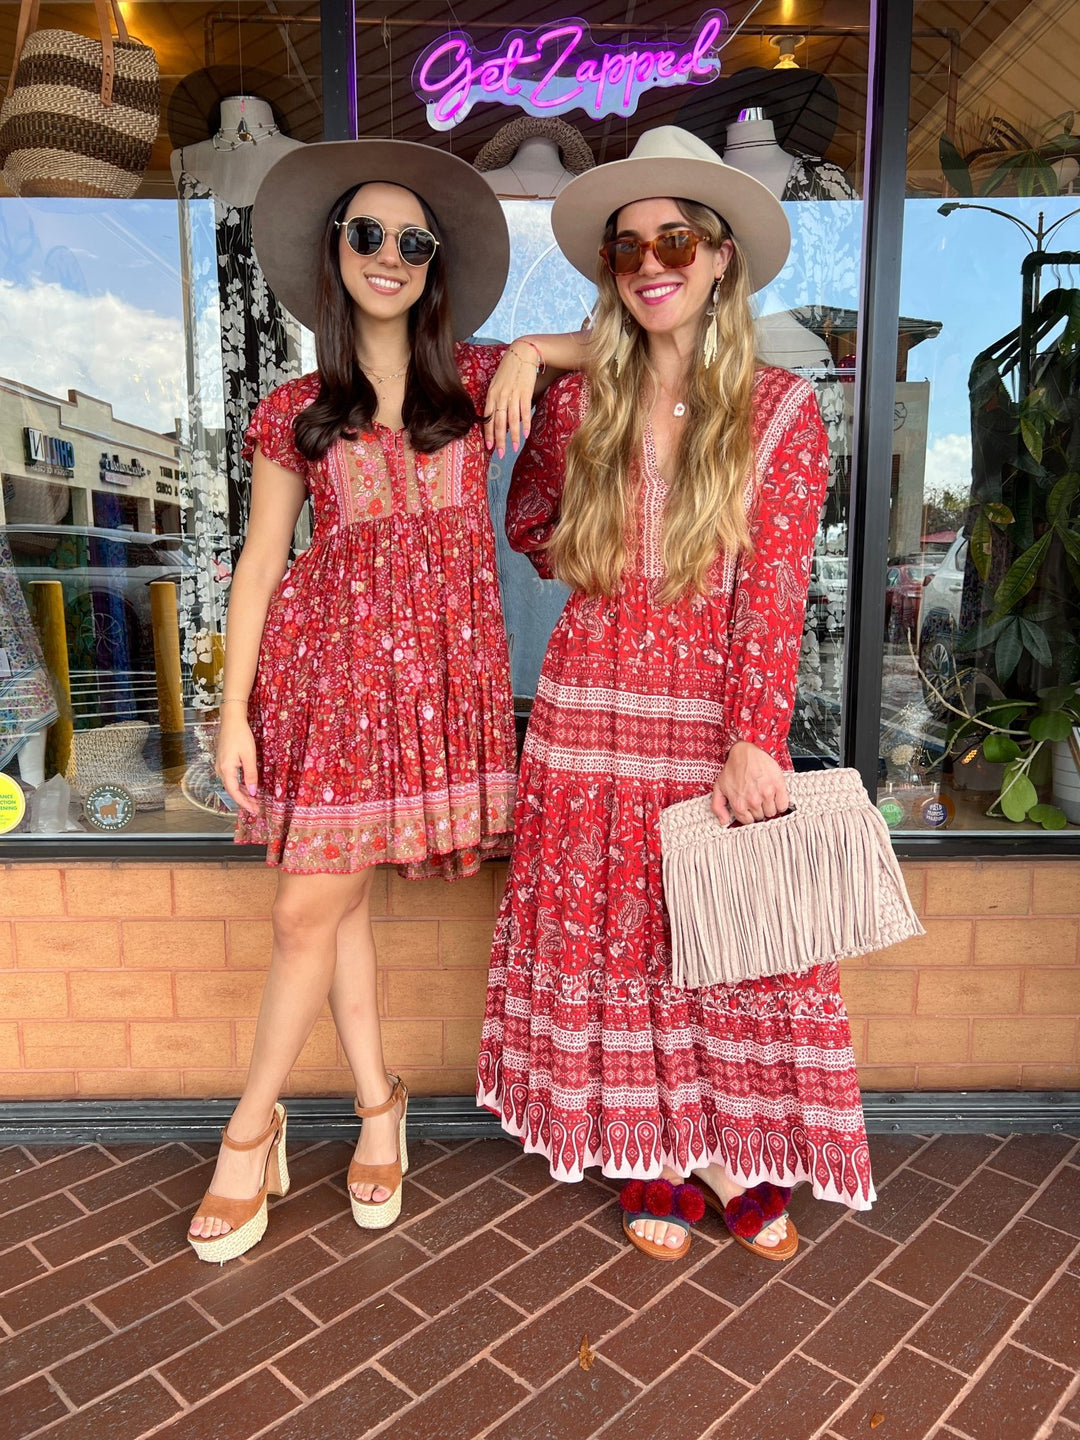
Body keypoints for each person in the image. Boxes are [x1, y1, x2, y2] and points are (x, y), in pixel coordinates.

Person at [478, 126, 875, 1263]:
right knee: (622, 951)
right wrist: (550, 366)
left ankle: (727, 1149)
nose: (650, 262)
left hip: (710, 723)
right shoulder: (578, 405)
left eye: (675, 238)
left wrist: (756, 737)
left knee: (729, 948)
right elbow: (533, 536)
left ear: (718, 257)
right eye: (625, 248)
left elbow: (779, 589)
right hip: (586, 717)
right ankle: (646, 1147)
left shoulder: (785, 408)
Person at [187, 137, 580, 1262]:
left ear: (434, 262)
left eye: (414, 240)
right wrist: (233, 711)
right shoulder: (296, 407)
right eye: (370, 234)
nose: (392, 254)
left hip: (433, 689)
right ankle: (254, 1131)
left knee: (333, 905)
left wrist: (538, 351)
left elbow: (634, 336)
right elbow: (261, 564)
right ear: (336, 251)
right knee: (313, 907)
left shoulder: (477, 375)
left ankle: (372, 1108)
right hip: (330, 684)